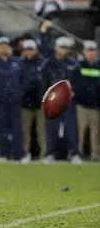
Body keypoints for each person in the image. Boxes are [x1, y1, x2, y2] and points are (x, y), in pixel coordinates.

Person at [40, 20, 83, 164]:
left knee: (71, 128)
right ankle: (50, 154)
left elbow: (78, 81)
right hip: (53, 100)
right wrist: (43, 31)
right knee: (52, 128)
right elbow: (44, 81)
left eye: (66, 47)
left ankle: (75, 154)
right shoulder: (49, 62)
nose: (64, 49)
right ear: (57, 47)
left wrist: (74, 92)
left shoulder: (73, 63)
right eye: (62, 47)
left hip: (68, 101)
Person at [20, 40, 47, 163]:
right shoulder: (20, 63)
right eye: (27, 49)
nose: (29, 51)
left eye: (31, 49)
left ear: (35, 50)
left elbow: (45, 81)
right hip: (25, 102)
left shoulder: (42, 63)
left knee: (42, 130)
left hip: (40, 102)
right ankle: (26, 153)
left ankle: (44, 154)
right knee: (25, 131)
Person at [73, 40, 100, 161]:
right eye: (89, 51)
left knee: (96, 132)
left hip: (95, 105)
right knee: (80, 130)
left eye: (93, 50)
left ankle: (95, 155)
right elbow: (74, 84)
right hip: (82, 105)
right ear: (84, 52)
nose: (91, 53)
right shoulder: (78, 66)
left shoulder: (99, 66)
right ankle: (78, 154)